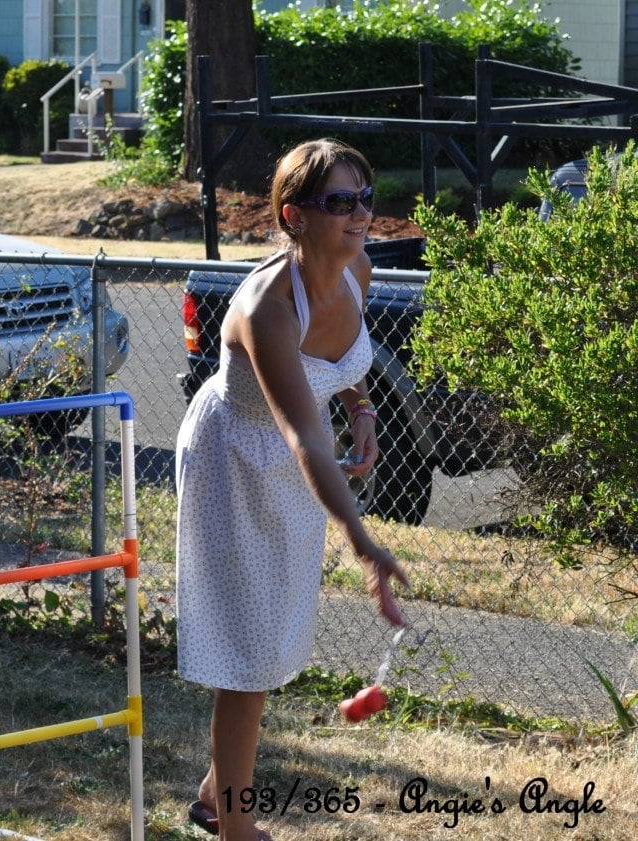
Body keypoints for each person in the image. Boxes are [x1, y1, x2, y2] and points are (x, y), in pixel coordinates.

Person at [175, 138, 410, 841]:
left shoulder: (356, 267)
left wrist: (361, 407)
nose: (360, 213)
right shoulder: (267, 309)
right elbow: (306, 441)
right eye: (340, 201)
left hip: (292, 471)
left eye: (365, 197)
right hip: (234, 461)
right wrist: (364, 541)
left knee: (273, 637)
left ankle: (216, 792)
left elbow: (347, 359)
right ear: (293, 215)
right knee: (246, 661)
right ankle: (234, 828)